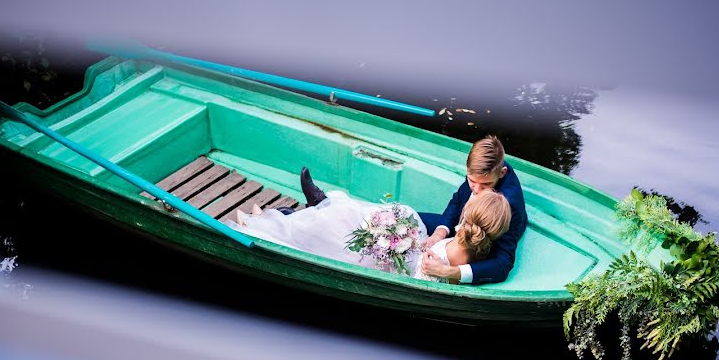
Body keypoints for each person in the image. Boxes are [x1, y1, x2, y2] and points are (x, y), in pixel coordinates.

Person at [225, 171, 511, 282]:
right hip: (411, 252)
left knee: (341, 231)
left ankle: (275, 222)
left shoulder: (460, 256)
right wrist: (420, 240)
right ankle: (302, 211)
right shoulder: (470, 242)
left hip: (399, 267)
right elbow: (440, 249)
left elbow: (427, 276)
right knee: (369, 217)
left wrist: (403, 248)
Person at [417, 135, 527, 285]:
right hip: (460, 228)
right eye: (472, 181)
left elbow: (502, 264)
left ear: (502, 173)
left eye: (485, 185)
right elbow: (457, 200)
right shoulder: (481, 168)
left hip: (481, 241)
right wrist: (439, 233)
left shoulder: (508, 204)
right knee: (410, 218)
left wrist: (450, 272)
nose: (476, 190)